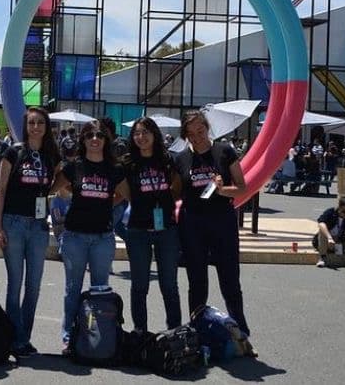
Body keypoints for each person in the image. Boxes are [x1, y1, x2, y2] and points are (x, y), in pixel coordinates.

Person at [174, 110, 256, 357]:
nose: (196, 137)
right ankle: (197, 334)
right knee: (197, 283)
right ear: (185, 134)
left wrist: (222, 190)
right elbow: (176, 193)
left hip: (222, 223)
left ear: (207, 128)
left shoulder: (224, 151)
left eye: (200, 131)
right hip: (192, 225)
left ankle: (242, 336)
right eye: (191, 133)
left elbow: (242, 188)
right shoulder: (180, 159)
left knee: (230, 281)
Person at [51, 120, 130, 356]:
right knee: (72, 289)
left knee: (99, 289)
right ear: (82, 140)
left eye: (99, 135)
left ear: (106, 141)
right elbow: (55, 188)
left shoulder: (114, 169)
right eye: (89, 135)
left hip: (102, 237)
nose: (94, 139)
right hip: (75, 235)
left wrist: (108, 202)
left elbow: (126, 195)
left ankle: (96, 337)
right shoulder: (75, 166)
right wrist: (73, 196)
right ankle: (69, 337)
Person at [0, 107, 60, 357]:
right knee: (15, 284)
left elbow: (57, 184)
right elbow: (0, 191)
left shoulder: (51, 155)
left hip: (39, 227)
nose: (35, 127)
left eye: (40, 122)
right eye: (31, 123)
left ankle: (24, 338)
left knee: (34, 286)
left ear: (46, 126)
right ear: (25, 126)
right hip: (13, 224)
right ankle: (16, 338)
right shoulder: (13, 152)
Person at [122, 116, 182, 333]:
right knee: (139, 286)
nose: (141, 137)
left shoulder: (168, 160)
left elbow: (177, 189)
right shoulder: (128, 163)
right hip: (138, 230)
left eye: (145, 132)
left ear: (154, 135)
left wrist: (162, 200)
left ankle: (174, 331)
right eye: (137, 133)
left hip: (166, 229)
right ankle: (140, 331)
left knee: (169, 285)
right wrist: (138, 201)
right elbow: (123, 191)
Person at [314, 196, 345, 269]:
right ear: (339, 207)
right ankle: (322, 257)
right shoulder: (330, 212)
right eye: (344, 211)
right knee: (322, 230)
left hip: (341, 242)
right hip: (328, 242)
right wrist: (329, 238)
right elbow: (321, 223)